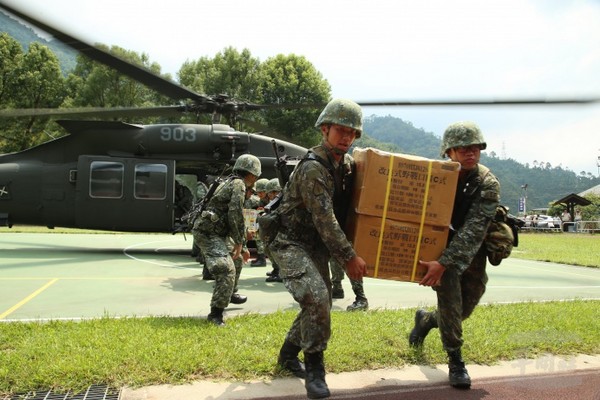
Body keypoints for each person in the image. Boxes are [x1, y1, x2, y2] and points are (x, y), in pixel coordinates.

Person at [268, 99, 368, 399]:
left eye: (352, 132)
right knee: (317, 298)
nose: (346, 137)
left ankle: (287, 355)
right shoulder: (314, 167)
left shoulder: (347, 166)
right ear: (325, 129)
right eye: (340, 130)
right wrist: (349, 257)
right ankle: (315, 369)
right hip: (289, 241)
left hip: (316, 245)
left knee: (318, 303)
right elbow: (325, 220)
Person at [409, 121, 500, 389]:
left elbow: (474, 229)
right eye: (462, 149)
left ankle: (425, 320)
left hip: (470, 252)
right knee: (450, 304)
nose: (470, 153)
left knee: (464, 308)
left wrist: (445, 262)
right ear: (449, 152)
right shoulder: (434, 175)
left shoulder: (487, 183)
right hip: (438, 250)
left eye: (474, 148)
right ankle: (456, 361)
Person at [193, 154, 262, 326]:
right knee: (225, 269)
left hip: (217, 232)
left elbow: (237, 217)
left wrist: (243, 246)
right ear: (252, 175)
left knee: (237, 259)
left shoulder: (230, 181)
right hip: (208, 233)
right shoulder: (238, 184)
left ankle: (230, 293)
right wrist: (240, 242)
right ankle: (215, 314)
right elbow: (235, 213)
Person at [264, 178, 284, 282]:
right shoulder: (276, 203)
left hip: (284, 233)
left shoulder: (284, 202)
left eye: (271, 193)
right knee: (268, 247)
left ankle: (282, 272)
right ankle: (277, 269)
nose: (269, 196)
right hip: (277, 230)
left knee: (276, 248)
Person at [250, 178, 270, 267]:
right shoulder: (262, 200)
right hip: (266, 222)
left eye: (261, 192)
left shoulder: (273, 198)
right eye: (258, 192)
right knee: (257, 236)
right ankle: (261, 257)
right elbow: (261, 210)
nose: (259, 194)